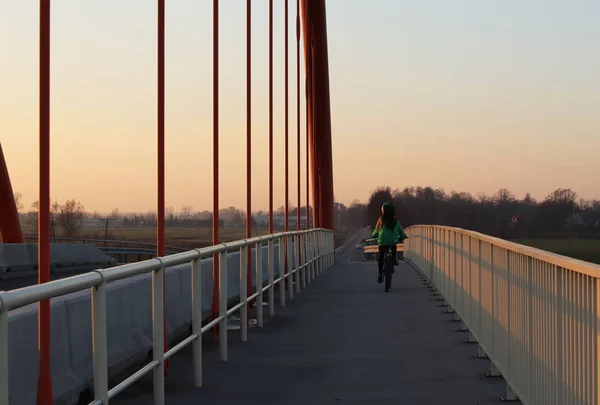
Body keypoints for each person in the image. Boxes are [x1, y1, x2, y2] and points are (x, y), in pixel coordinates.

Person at [371, 202, 407, 284]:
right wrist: (403, 236)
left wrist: (373, 235)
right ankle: (394, 261)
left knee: (381, 257)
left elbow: (376, 230)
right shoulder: (396, 221)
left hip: (382, 241)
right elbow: (401, 231)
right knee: (394, 247)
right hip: (392, 241)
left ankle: (380, 275)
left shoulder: (380, 220)